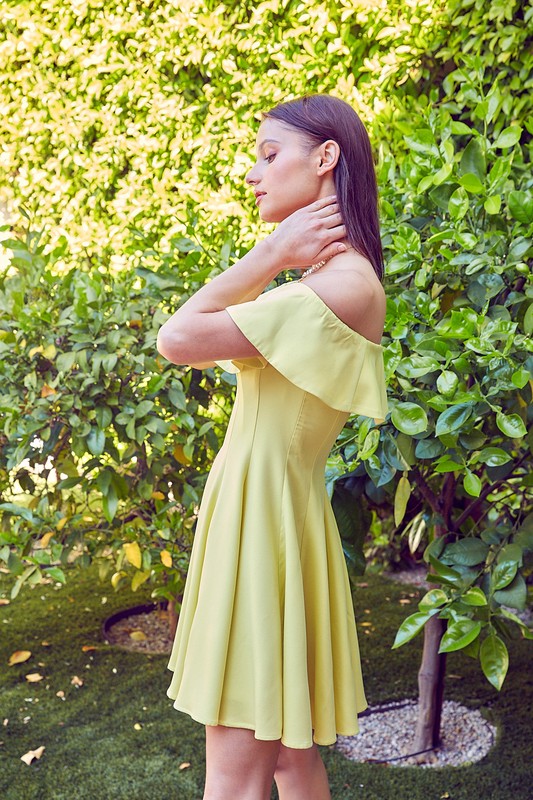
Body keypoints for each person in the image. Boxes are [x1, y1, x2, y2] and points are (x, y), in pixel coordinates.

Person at [157, 94, 388, 800]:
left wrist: (270, 252)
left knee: (232, 781)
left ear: (325, 159)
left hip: (265, 525)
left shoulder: (337, 287)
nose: (252, 174)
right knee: (288, 760)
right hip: (269, 515)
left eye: (267, 155)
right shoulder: (325, 283)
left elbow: (178, 338)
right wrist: (281, 257)